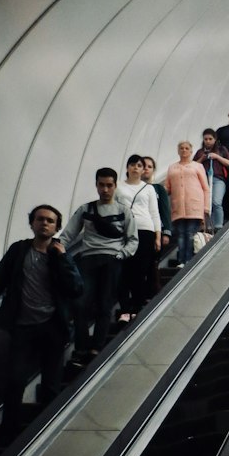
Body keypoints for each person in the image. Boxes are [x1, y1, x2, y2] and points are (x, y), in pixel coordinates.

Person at [0, 205, 84, 440]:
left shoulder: (60, 254)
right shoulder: (18, 250)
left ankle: (48, 431)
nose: (44, 223)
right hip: (22, 326)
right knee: (14, 379)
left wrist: (63, 258)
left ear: (56, 227)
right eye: (40, 219)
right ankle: (9, 431)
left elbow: (76, 288)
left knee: (51, 383)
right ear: (32, 223)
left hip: (53, 326)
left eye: (50, 221)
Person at [59, 168, 138, 360]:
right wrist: (57, 248)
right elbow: (67, 234)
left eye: (109, 185)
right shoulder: (85, 210)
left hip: (112, 259)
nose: (105, 189)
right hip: (88, 259)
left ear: (115, 186)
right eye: (101, 185)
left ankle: (97, 347)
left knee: (105, 304)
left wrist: (121, 255)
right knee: (80, 305)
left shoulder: (123, 210)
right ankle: (82, 347)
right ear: (96, 185)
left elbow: (133, 239)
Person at [115, 154, 161, 322]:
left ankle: (137, 306)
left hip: (145, 229)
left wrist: (158, 236)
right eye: (132, 164)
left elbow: (154, 213)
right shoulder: (118, 187)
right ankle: (125, 309)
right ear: (127, 167)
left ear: (143, 170)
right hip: (124, 230)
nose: (136, 168)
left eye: (139, 165)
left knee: (140, 270)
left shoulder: (148, 188)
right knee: (124, 270)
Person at [165, 141, 210, 265]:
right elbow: (167, 188)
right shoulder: (172, 168)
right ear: (178, 151)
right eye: (181, 148)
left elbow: (205, 188)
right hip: (178, 208)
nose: (184, 150)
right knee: (180, 235)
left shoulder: (197, 166)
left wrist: (206, 207)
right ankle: (181, 261)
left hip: (194, 207)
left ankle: (188, 261)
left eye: (186, 148)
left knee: (189, 234)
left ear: (191, 151)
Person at [141, 155, 171, 299]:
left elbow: (165, 210)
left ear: (153, 170)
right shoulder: (131, 189)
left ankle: (152, 291)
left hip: (155, 232)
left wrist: (166, 233)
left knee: (152, 263)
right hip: (139, 233)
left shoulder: (158, 189)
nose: (146, 169)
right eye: (143, 166)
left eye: (149, 166)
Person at [193, 128, 229, 229]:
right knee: (205, 203)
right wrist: (202, 158)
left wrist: (217, 157)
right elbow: (192, 166)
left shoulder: (221, 150)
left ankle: (218, 225)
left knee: (216, 201)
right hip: (203, 180)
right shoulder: (200, 152)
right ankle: (207, 225)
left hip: (218, 179)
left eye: (210, 139)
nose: (208, 141)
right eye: (205, 139)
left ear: (215, 139)